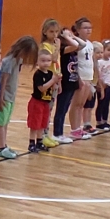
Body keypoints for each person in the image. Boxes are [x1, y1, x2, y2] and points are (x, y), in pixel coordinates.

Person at [0, 35, 38, 159]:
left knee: (6, 122)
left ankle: (4, 145)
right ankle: (1, 148)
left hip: (11, 96)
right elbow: (3, 80)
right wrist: (0, 98)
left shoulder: (18, 60)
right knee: (1, 123)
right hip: (5, 96)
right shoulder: (9, 61)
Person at [52, 24, 82, 143]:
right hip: (65, 82)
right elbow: (76, 45)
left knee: (64, 108)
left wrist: (73, 36)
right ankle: (57, 133)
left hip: (72, 82)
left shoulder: (73, 51)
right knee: (61, 109)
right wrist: (67, 37)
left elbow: (81, 45)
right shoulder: (63, 49)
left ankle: (60, 133)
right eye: (67, 34)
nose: (70, 35)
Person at [28, 50, 59, 152]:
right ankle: (31, 143)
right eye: (43, 60)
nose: (46, 63)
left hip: (46, 102)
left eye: (48, 61)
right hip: (37, 102)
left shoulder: (50, 73)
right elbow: (42, 88)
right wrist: (53, 80)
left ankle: (39, 142)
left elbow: (54, 87)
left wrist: (57, 82)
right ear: (37, 62)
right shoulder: (38, 74)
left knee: (43, 123)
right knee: (35, 123)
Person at [39, 19, 62, 148]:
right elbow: (53, 59)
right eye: (51, 32)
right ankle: (42, 135)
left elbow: (58, 64)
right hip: (48, 80)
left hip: (55, 80)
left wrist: (59, 81)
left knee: (50, 108)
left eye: (56, 32)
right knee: (46, 108)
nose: (55, 35)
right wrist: (57, 47)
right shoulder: (45, 46)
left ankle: (46, 133)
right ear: (45, 32)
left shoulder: (54, 46)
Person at [95, 41, 110, 130]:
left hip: (109, 85)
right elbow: (98, 74)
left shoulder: (109, 60)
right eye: (108, 50)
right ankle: (99, 122)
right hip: (102, 86)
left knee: (106, 104)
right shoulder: (100, 62)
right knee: (101, 104)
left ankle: (105, 121)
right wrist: (101, 85)